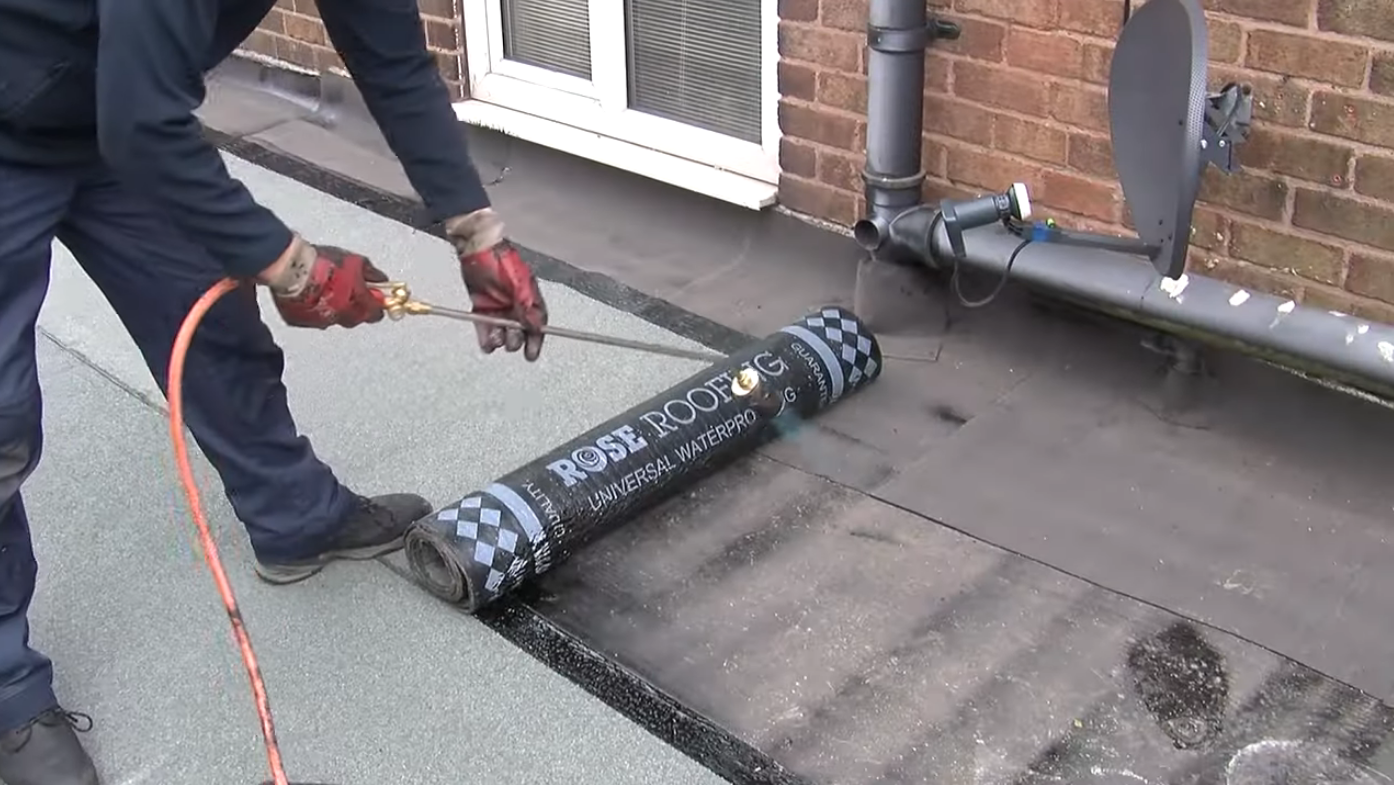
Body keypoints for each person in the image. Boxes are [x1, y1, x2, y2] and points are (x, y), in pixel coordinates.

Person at [0, 0, 551, 781]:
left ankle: (295, 516)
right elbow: (143, 122)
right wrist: (296, 266)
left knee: (217, 324)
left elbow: (391, 59)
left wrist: (477, 235)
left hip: (106, 110)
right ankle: (10, 694)